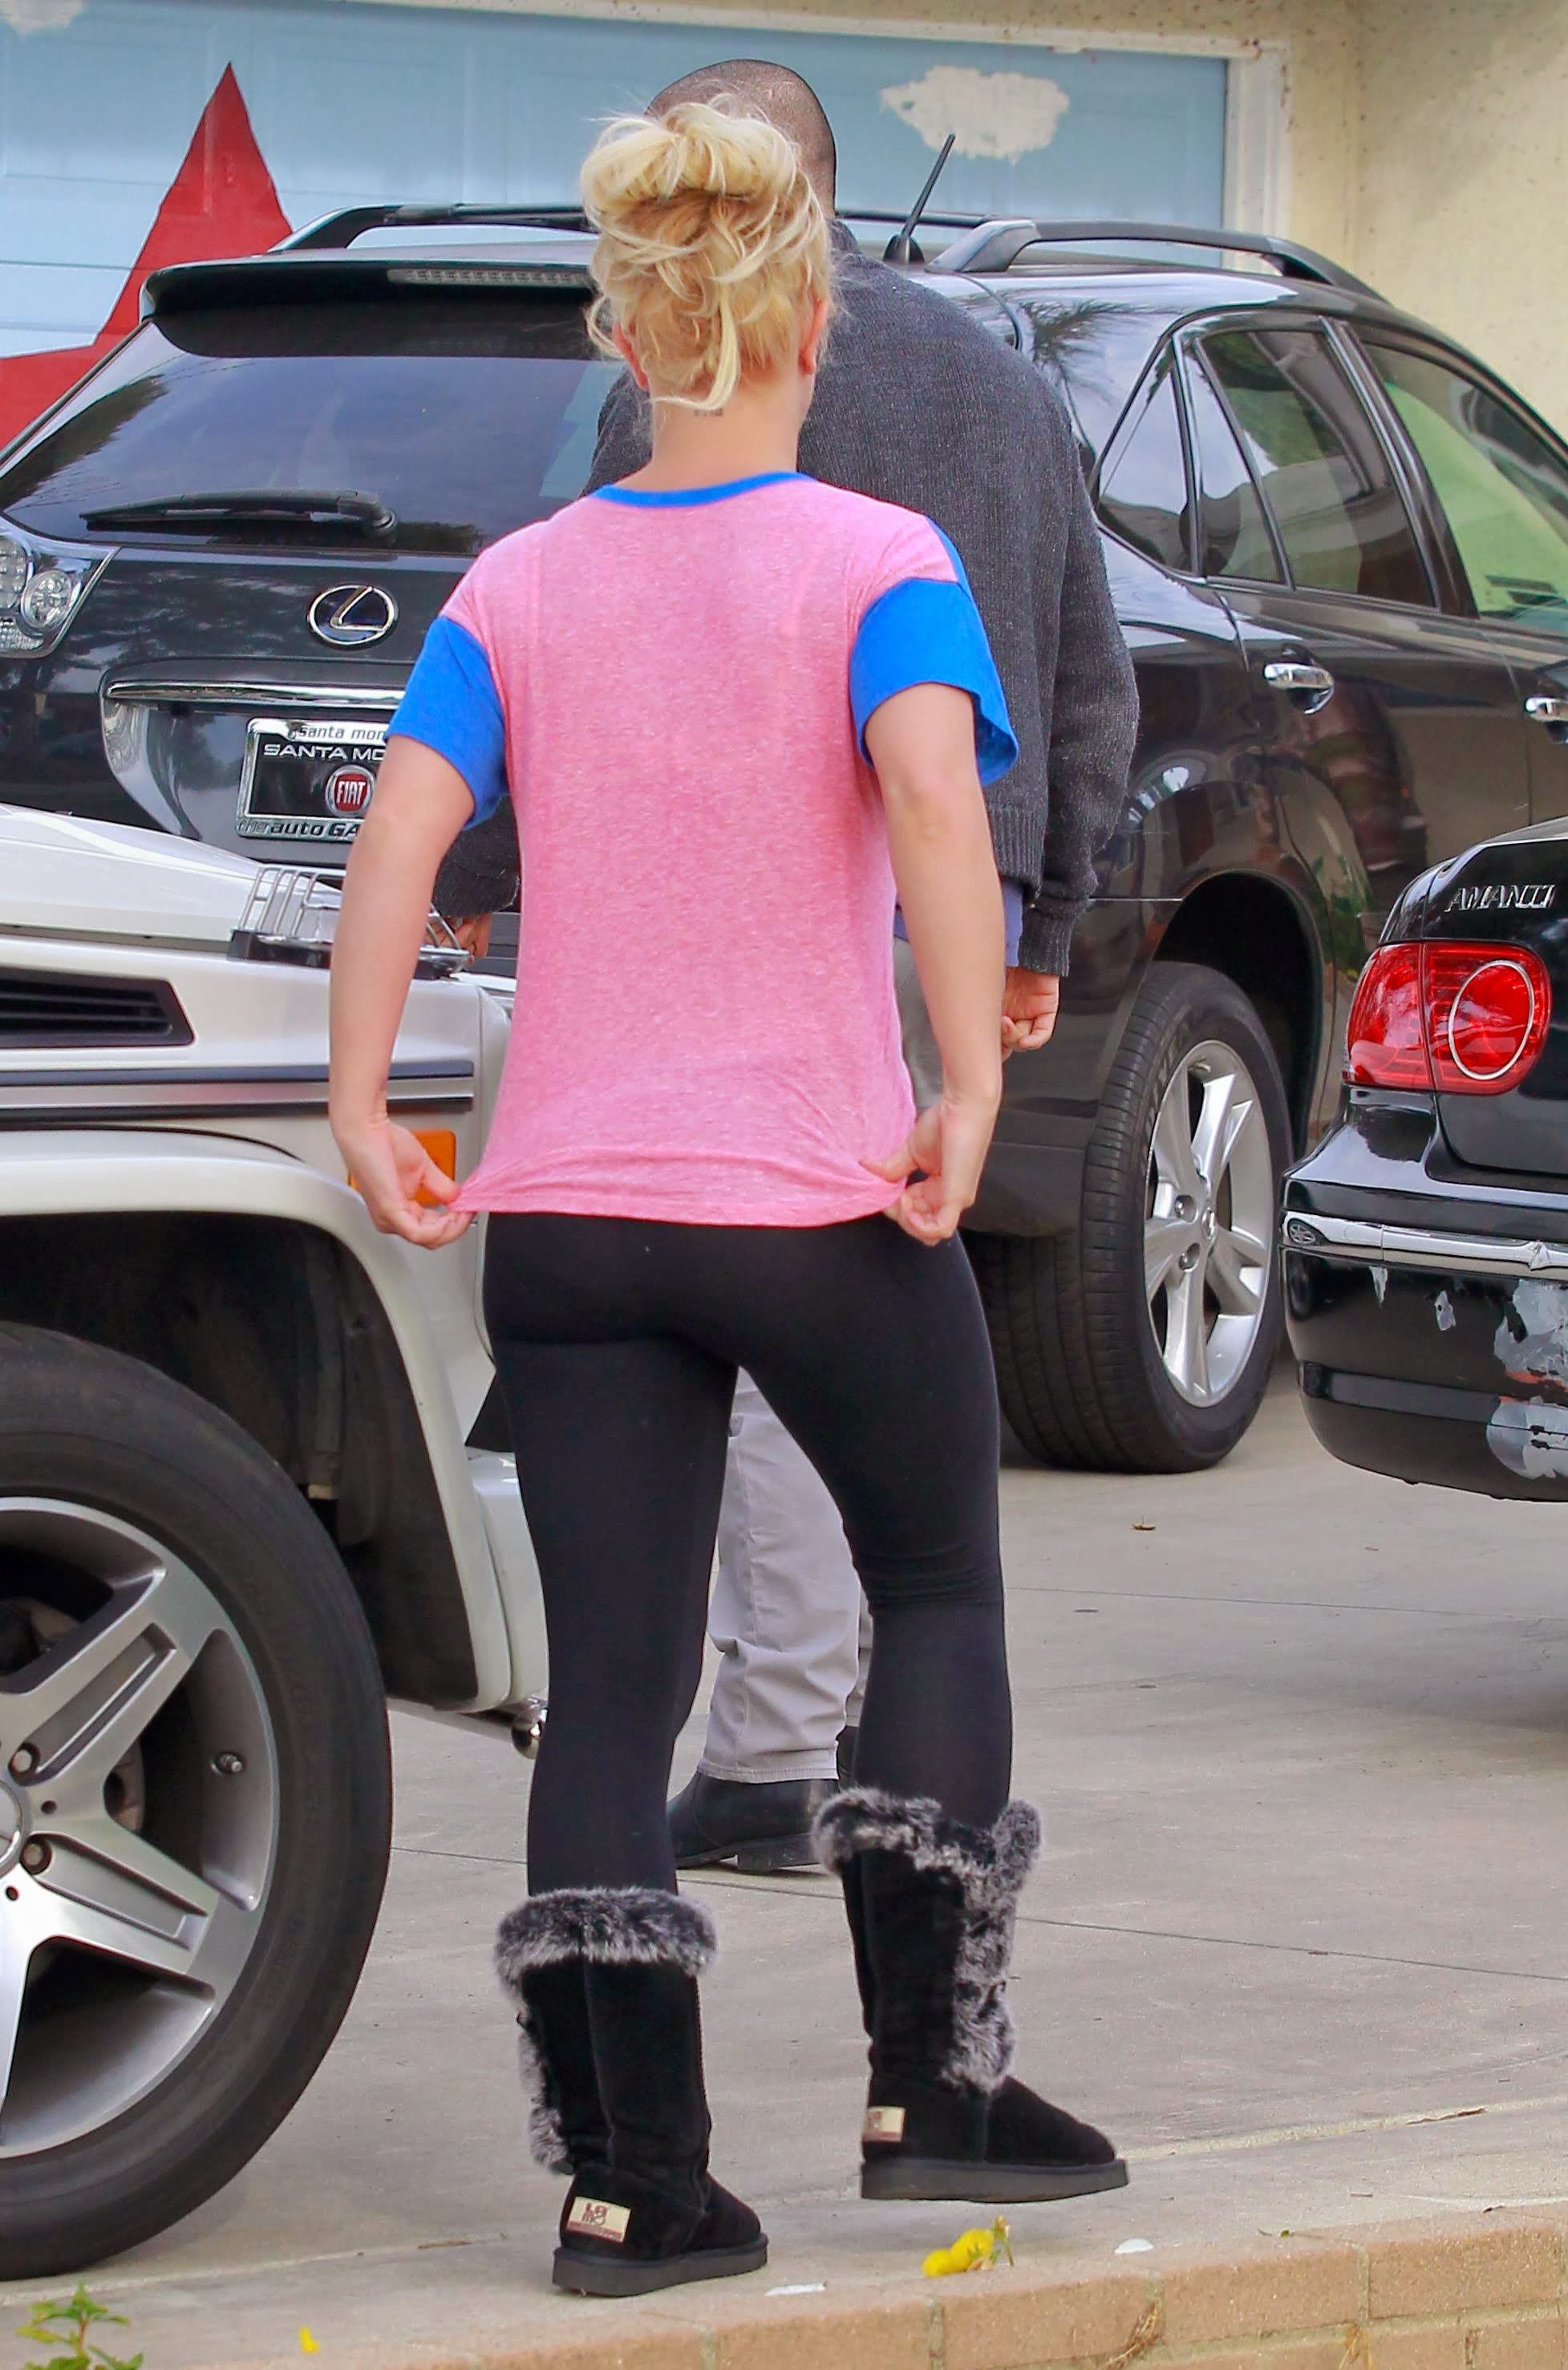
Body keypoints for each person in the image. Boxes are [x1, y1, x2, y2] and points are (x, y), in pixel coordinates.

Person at [336, 101, 1125, 2298]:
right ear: (806, 322)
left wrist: (363, 1097)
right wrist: (967, 1081)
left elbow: (397, 836)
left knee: (610, 1690)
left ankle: (629, 2189)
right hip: (810, 1195)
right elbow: (937, 811)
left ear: (627, 330)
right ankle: (930, 2086)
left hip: (573, 1215)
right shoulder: (878, 563)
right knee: (935, 1588)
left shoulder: (519, 582)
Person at [438, 60, 1139, 1877]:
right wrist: (1042, 929)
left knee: (720, 1356)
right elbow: (1089, 672)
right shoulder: (1008, 383)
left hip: (743, 922)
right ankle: (901, 1912)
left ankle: (765, 1743)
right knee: (899, 1439)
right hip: (947, 901)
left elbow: (596, 671)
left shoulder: (669, 374)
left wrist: (480, 880)